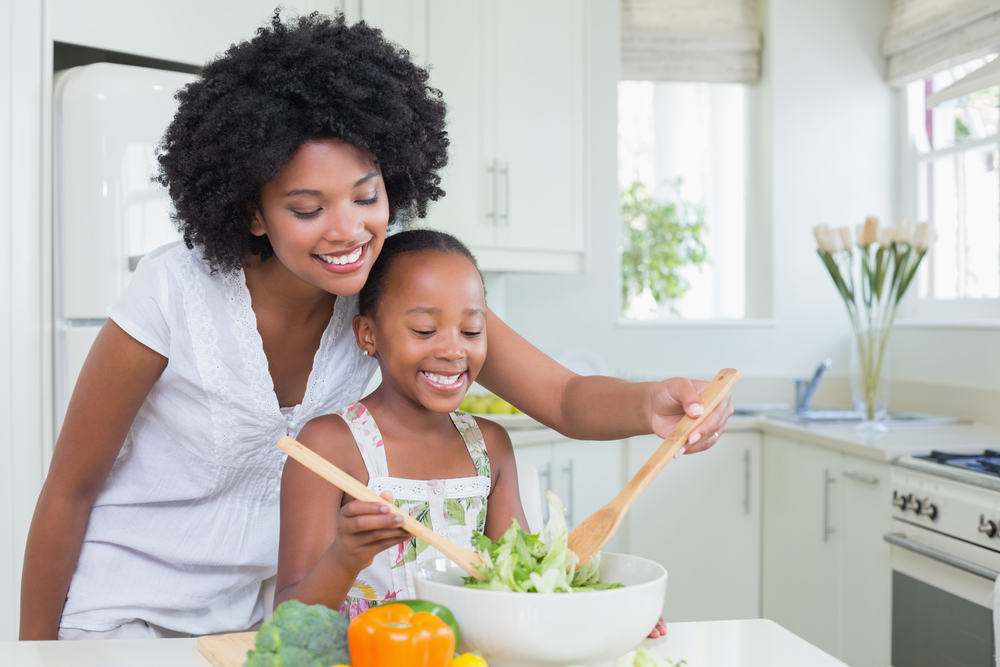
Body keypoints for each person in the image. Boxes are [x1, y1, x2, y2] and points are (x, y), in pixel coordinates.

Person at [19, 11, 730, 641]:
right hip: (124, 613)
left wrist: (652, 404)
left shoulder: (388, 298)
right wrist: (29, 653)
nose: (349, 230)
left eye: (367, 196)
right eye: (308, 209)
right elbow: (70, 490)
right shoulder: (173, 290)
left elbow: (566, 398)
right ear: (253, 212)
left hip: (270, 623)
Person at [276, 229, 526, 618]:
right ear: (368, 334)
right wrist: (345, 557)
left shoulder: (490, 446)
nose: (453, 349)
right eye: (425, 330)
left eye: (471, 331)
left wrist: (612, 616)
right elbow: (289, 619)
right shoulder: (330, 445)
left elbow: (525, 585)